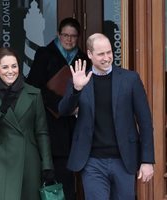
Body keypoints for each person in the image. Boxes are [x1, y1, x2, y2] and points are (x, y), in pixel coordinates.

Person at [58, 33, 155, 200]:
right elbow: (64, 110)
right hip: (92, 161)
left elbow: (145, 122)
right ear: (89, 54)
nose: (107, 58)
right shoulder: (80, 80)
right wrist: (76, 90)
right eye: (101, 54)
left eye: (109, 52)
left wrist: (147, 160)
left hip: (124, 159)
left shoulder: (130, 79)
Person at [26, 17, 91, 199]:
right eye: (65, 35)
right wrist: (60, 105)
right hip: (49, 121)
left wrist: (76, 106)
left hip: (73, 124)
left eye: (73, 36)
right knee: (49, 175)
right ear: (58, 34)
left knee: (68, 176)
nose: (69, 40)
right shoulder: (44, 54)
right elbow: (34, 87)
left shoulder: (83, 58)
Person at [0, 47, 54, 200]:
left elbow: (42, 132)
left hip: (29, 160)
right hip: (2, 162)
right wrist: (1, 109)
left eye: (14, 66)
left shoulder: (34, 93)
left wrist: (47, 165)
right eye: (5, 67)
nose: (10, 71)